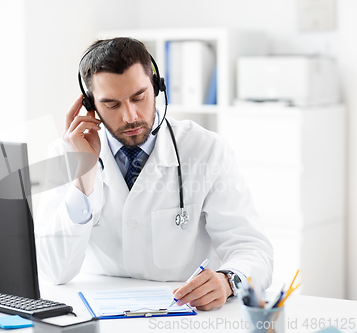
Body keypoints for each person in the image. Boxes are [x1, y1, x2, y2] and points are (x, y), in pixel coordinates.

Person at [35, 37, 273, 311]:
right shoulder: (66, 153)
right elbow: (53, 270)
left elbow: (253, 248)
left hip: (184, 313)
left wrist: (228, 280)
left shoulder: (206, 149)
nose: (130, 116)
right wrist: (84, 176)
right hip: (97, 313)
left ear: (157, 87)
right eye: (112, 104)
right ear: (91, 106)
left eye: (139, 97)